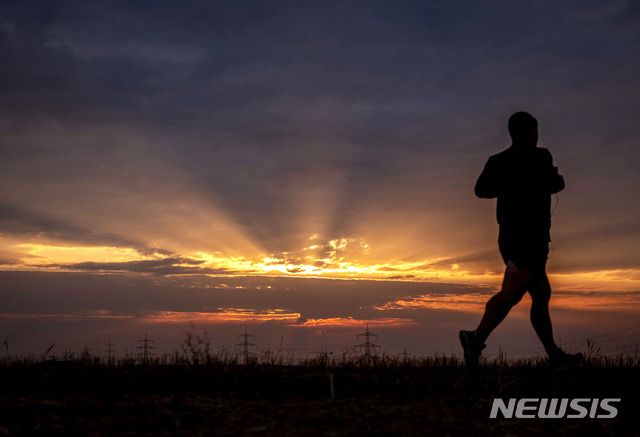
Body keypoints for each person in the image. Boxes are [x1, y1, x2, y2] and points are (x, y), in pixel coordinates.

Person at [459, 111, 583, 370]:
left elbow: (481, 190)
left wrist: (508, 185)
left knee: (540, 293)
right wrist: (557, 179)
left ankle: (554, 356)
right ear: (533, 131)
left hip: (507, 236)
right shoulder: (541, 156)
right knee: (513, 292)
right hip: (531, 237)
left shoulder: (497, 161)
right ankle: (476, 336)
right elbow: (553, 184)